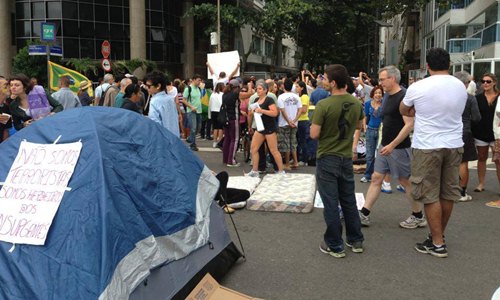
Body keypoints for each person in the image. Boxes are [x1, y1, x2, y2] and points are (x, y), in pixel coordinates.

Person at [400, 47, 467, 258]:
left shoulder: (419, 87)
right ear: (449, 64)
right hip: (454, 143)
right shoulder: (460, 86)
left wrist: (418, 110)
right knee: (448, 193)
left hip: (427, 144)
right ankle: (438, 236)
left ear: (427, 66)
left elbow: (403, 109)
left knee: (429, 194)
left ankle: (437, 243)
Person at [358, 65, 425, 229]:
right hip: (385, 145)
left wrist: (392, 145)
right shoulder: (387, 95)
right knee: (376, 178)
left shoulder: (403, 96)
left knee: (405, 181)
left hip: (399, 147)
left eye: (382, 79)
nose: (380, 83)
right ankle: (364, 213)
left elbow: (409, 124)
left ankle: (418, 216)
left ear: (392, 79)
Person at [311, 64, 364, 258]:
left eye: (325, 78)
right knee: (348, 199)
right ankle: (355, 239)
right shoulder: (356, 102)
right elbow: (359, 125)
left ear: (333, 83)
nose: (322, 81)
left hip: (327, 156)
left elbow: (314, 133)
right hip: (345, 157)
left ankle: (335, 244)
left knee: (331, 202)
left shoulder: (324, 105)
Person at [246, 80, 284, 177]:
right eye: (257, 89)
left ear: (265, 90)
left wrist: (262, 110)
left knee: (273, 150)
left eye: (260, 89)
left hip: (269, 128)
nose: (257, 90)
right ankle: (255, 170)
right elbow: (251, 112)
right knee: (254, 149)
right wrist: (252, 113)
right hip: (260, 127)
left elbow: (275, 113)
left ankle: (281, 171)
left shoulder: (269, 100)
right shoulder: (255, 101)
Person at [453, 71, 481, 202]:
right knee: (463, 162)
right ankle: (462, 192)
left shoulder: (447, 95)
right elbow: (476, 117)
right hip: (464, 131)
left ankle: (448, 189)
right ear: (465, 83)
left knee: (448, 162)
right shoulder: (470, 98)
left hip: (448, 131)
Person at [471, 73, 500, 192]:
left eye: (488, 81)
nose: (485, 84)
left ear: (494, 83)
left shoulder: (499, 97)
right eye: (483, 81)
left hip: (496, 134)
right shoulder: (477, 98)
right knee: (481, 157)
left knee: (498, 160)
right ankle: (481, 183)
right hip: (480, 133)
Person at [360, 86, 384, 183]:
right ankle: (368, 175)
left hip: (381, 131)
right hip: (370, 130)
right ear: (373, 94)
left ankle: (379, 176)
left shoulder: (384, 104)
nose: (378, 95)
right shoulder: (367, 104)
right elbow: (365, 116)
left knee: (380, 155)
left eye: (380, 93)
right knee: (369, 155)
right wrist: (365, 128)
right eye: (376, 93)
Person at [277, 78, 302, 170]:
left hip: (284, 123)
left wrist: (288, 121)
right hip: (295, 123)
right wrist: (294, 120)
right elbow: (300, 110)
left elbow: (282, 111)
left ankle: (287, 164)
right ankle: (295, 162)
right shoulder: (297, 97)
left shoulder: (281, 97)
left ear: (284, 86)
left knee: (285, 143)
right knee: (293, 142)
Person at [146, 71, 180, 138]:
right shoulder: (170, 99)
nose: (147, 88)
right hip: (174, 137)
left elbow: (155, 124)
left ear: (158, 86)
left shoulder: (154, 101)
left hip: (162, 139)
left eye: (149, 86)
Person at [222, 79, 241, 167]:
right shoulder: (235, 94)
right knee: (235, 139)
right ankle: (231, 161)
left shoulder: (224, 95)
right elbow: (246, 94)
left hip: (226, 119)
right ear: (236, 87)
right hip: (234, 118)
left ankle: (226, 159)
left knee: (227, 139)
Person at [182, 74, 203, 151]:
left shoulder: (199, 89)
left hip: (199, 111)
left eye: (200, 80)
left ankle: (190, 138)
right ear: (193, 80)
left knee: (198, 128)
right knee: (193, 128)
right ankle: (193, 145)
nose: (199, 82)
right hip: (191, 111)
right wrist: (191, 107)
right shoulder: (188, 89)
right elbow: (183, 100)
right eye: (198, 80)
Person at [296, 81, 310, 166]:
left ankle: (304, 159)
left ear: (302, 88)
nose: (296, 88)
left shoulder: (304, 97)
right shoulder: (298, 97)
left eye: (297, 86)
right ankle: (297, 158)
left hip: (303, 120)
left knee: (303, 140)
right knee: (298, 140)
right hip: (298, 120)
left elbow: (304, 110)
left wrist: (296, 109)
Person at [209, 82, 225, 148]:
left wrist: (209, 114)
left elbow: (210, 104)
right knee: (221, 128)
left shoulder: (212, 94)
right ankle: (220, 142)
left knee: (215, 127)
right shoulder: (223, 94)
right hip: (220, 111)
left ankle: (214, 142)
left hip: (213, 111)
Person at [0, 76, 12, 142]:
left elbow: (5, 130)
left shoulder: (6, 108)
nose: (10, 88)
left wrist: (5, 148)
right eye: (6, 85)